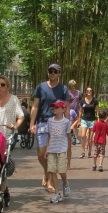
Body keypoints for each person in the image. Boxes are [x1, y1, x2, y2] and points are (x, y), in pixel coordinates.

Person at [30, 64, 66, 192]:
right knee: (41, 153)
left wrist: (68, 126)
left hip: (56, 123)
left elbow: (66, 108)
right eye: (50, 71)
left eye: (55, 71)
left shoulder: (63, 89)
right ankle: (46, 171)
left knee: (50, 154)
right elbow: (35, 106)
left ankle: (50, 180)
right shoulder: (41, 87)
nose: (52, 73)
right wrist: (32, 123)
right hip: (42, 122)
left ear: (59, 73)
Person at [45, 100, 71, 203]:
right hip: (52, 149)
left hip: (62, 149)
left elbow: (68, 136)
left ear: (63, 109)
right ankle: (57, 193)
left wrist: (69, 152)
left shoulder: (66, 122)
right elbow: (48, 136)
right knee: (52, 171)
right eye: (53, 107)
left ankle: (65, 183)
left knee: (62, 171)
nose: (54, 109)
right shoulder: (50, 121)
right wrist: (47, 149)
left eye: (57, 107)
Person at [78, 86, 98, 159]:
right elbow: (80, 111)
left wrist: (98, 120)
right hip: (84, 120)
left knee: (90, 138)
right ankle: (83, 152)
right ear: (86, 92)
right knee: (83, 136)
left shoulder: (95, 100)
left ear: (92, 92)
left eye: (90, 90)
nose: (89, 92)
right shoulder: (82, 100)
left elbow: (98, 111)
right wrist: (79, 120)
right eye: (88, 90)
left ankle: (89, 151)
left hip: (92, 120)